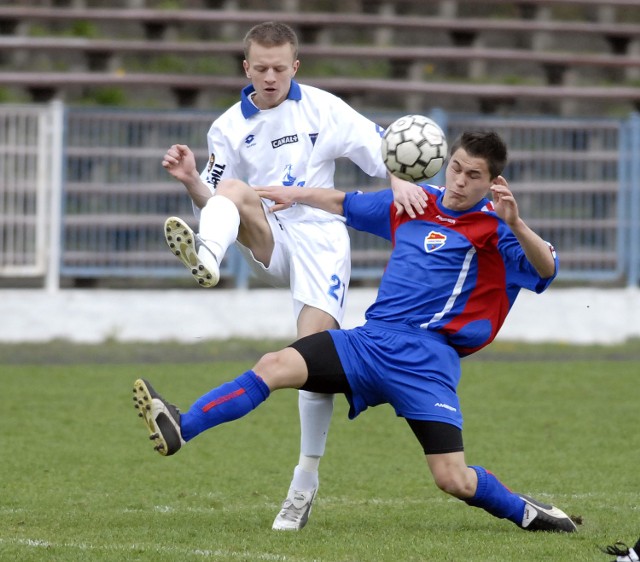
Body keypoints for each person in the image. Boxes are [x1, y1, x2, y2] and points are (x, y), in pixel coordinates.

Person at [135, 130, 578, 533]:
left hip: (425, 362)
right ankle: (182, 426)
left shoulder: (497, 227)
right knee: (274, 364)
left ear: (492, 182)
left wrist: (517, 223)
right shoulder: (417, 201)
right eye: (456, 167)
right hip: (369, 342)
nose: (460, 181)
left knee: (453, 479)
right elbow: (345, 203)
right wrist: (297, 195)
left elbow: (547, 268)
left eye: (473, 175)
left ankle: (524, 511)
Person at [160, 21, 425, 531]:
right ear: (246, 68)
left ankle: (304, 484)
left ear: (295, 67)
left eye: (280, 68)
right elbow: (213, 199)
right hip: (269, 232)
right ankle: (208, 260)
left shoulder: (323, 108)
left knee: (313, 357)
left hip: (322, 240)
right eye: (261, 68)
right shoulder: (227, 128)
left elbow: (383, 149)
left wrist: (400, 183)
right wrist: (193, 180)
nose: (270, 76)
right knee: (232, 189)